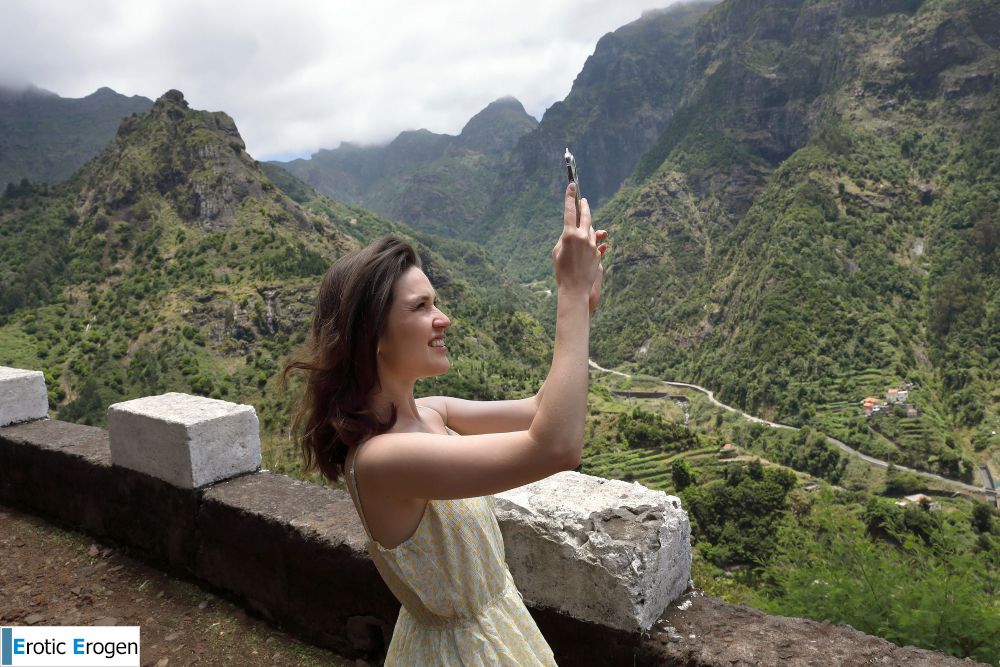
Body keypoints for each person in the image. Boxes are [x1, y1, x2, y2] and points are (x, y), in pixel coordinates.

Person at [282, 181, 608, 665]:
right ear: (372, 336)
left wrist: (582, 303)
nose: (444, 318)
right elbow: (556, 445)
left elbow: (543, 409)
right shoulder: (383, 458)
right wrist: (570, 288)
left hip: (494, 632)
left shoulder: (431, 412)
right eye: (421, 307)